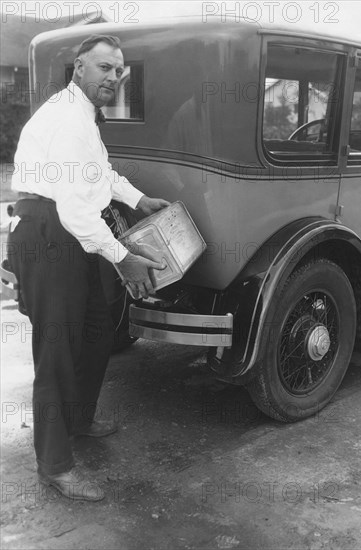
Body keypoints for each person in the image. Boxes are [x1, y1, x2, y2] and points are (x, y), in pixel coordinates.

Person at [7, 35, 170, 501]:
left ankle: (79, 420)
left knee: (98, 328)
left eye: (118, 71)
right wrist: (125, 259)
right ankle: (54, 465)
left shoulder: (83, 115)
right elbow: (76, 210)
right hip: (49, 233)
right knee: (57, 353)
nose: (112, 78)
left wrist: (139, 199)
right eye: (103, 68)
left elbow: (101, 174)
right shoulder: (67, 120)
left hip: (72, 232)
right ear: (79, 67)